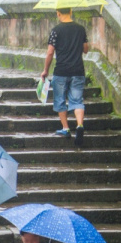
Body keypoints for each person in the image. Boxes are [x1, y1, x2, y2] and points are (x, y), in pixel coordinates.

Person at [40, 8, 89, 147]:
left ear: (58, 13)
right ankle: (79, 125)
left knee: (60, 100)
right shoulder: (80, 29)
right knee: (77, 101)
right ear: (71, 11)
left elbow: (50, 52)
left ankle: (66, 128)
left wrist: (45, 71)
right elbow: (85, 49)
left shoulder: (56, 30)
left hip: (61, 71)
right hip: (78, 71)